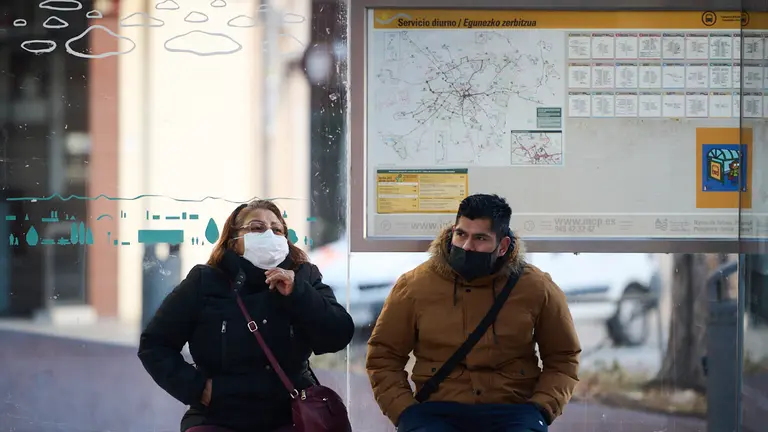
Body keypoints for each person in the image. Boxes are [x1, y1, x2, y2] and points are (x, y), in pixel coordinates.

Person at [366, 194, 581, 432]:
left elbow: (563, 357)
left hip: (513, 411)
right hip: (435, 411)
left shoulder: (537, 288)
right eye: (461, 234)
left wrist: (540, 409)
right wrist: (405, 412)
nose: (467, 246)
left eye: (480, 238)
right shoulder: (414, 286)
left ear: (503, 246)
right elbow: (383, 356)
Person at [138, 200, 354, 432]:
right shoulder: (205, 281)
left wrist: (298, 293)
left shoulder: (303, 277)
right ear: (234, 241)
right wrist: (200, 389)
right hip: (220, 416)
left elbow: (338, 335)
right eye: (257, 228)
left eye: (277, 229)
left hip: (290, 415)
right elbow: (155, 345)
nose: (269, 234)